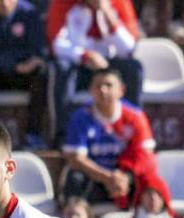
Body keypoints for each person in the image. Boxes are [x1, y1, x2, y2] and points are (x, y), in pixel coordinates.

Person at [48, 0, 144, 146]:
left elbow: (129, 48)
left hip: (108, 63)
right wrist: (85, 56)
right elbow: (56, 43)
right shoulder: (63, 3)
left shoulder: (120, 3)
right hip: (78, 62)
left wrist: (108, 15)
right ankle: (62, 135)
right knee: (61, 68)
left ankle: (133, 130)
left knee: (134, 68)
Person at [60, 67, 156, 206]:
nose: (103, 90)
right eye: (98, 86)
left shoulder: (135, 116)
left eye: (108, 85)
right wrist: (107, 177)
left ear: (121, 90)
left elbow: (145, 154)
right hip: (95, 177)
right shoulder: (81, 117)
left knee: (151, 181)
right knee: (76, 179)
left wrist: (125, 178)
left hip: (124, 178)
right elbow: (75, 159)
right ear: (91, 91)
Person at [0, 0, 51, 150]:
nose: (4, 3)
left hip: (25, 73)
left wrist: (31, 62)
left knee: (41, 73)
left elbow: (39, 47)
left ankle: (33, 135)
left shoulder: (29, 12)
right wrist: (13, 65)